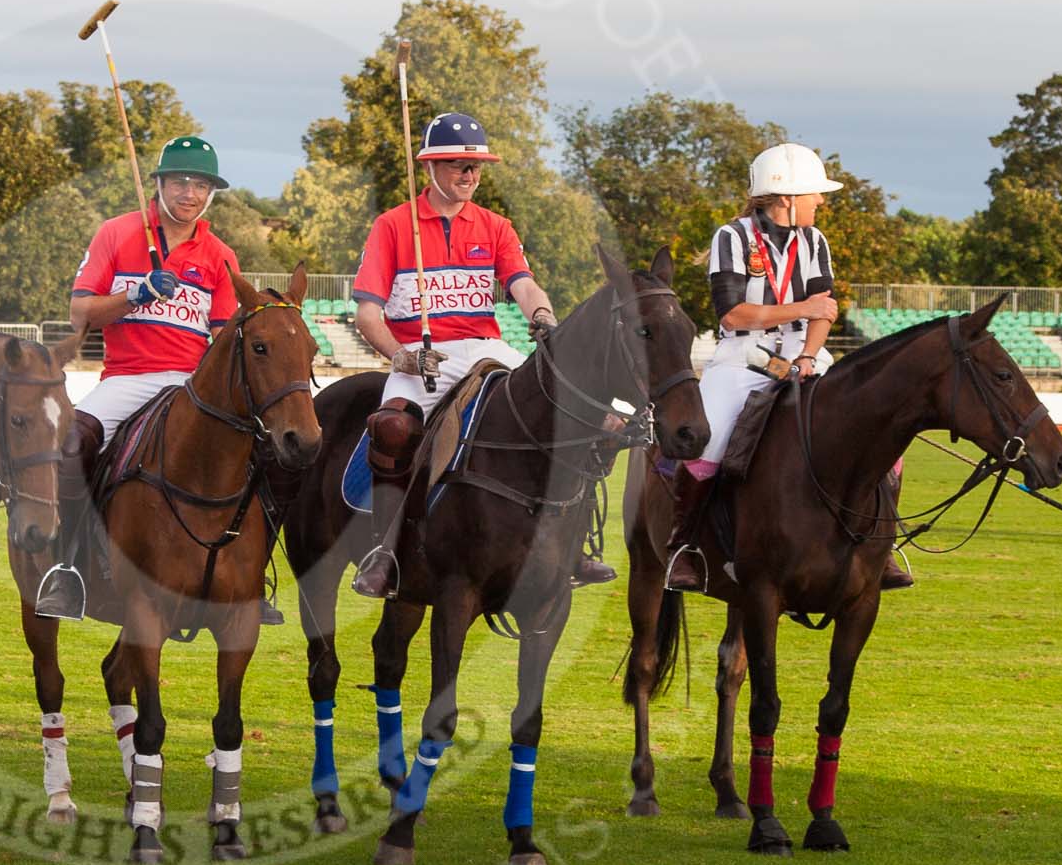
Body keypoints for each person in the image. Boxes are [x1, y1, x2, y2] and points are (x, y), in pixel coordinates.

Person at [349, 111, 614, 599]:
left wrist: (542, 317)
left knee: (566, 412)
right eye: (456, 166)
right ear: (429, 167)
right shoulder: (392, 227)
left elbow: (524, 285)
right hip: (421, 356)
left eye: (475, 168)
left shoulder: (495, 226)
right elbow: (368, 314)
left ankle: (571, 545)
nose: (468, 176)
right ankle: (385, 551)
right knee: (392, 428)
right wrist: (400, 358)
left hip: (486, 348)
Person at [33, 135, 269, 621]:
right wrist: (136, 294)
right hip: (128, 377)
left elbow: (224, 338)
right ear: (158, 183)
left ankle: (253, 576)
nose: (190, 194)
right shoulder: (117, 234)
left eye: (202, 185)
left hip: (191, 383)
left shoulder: (220, 255)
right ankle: (67, 568)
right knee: (72, 442)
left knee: (264, 450)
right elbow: (81, 311)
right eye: (181, 181)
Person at [662, 142, 913, 592]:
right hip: (743, 356)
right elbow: (733, 315)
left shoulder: (814, 241)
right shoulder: (732, 237)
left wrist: (805, 357)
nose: (821, 201)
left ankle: (882, 545)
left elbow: (825, 311)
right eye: (814, 194)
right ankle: (686, 548)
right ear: (785, 197)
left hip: (805, 351)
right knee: (709, 437)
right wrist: (803, 306)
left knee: (882, 435)